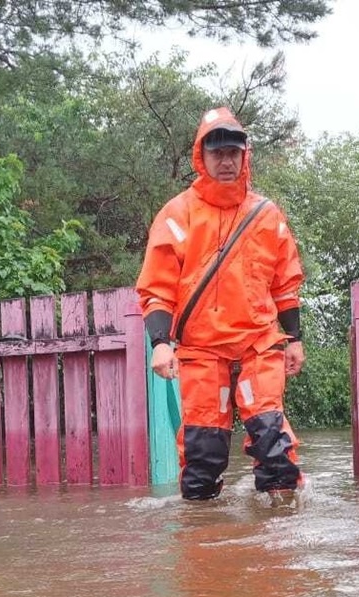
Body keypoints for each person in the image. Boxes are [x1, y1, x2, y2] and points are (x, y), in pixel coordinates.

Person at [136, 106, 306, 501]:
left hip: (259, 345)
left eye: (233, 153)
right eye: (218, 153)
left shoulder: (267, 216)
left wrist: (294, 338)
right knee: (202, 456)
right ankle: (203, 544)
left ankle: (279, 540)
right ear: (202, 157)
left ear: (244, 156)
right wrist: (160, 342)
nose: (226, 161)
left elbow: (286, 284)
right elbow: (157, 287)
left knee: (272, 442)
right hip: (201, 350)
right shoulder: (177, 214)